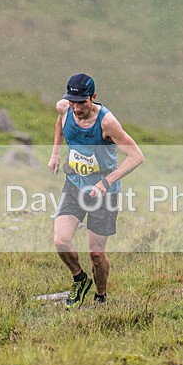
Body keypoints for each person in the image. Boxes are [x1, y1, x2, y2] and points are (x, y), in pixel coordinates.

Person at [48, 73, 145, 308]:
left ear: (93, 97)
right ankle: (80, 279)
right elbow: (60, 122)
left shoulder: (107, 123)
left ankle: (101, 297)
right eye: (73, 101)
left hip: (104, 194)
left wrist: (106, 182)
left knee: (96, 254)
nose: (77, 108)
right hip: (74, 185)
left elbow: (136, 156)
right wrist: (55, 152)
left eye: (82, 102)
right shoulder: (64, 108)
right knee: (61, 241)